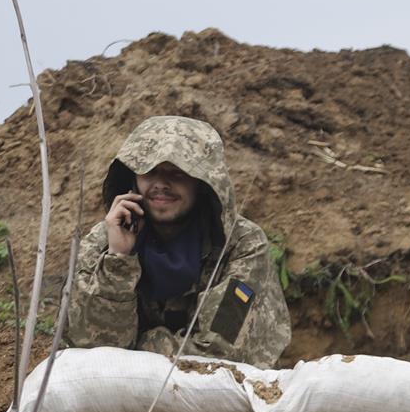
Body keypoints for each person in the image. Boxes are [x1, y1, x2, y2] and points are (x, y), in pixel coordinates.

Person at [66, 116, 290, 367]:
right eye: (150, 172)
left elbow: (222, 354)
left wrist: (144, 347)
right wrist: (119, 260)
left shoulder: (241, 245)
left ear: (203, 183)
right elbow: (90, 349)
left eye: (177, 173)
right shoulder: (104, 242)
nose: (161, 184)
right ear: (133, 180)